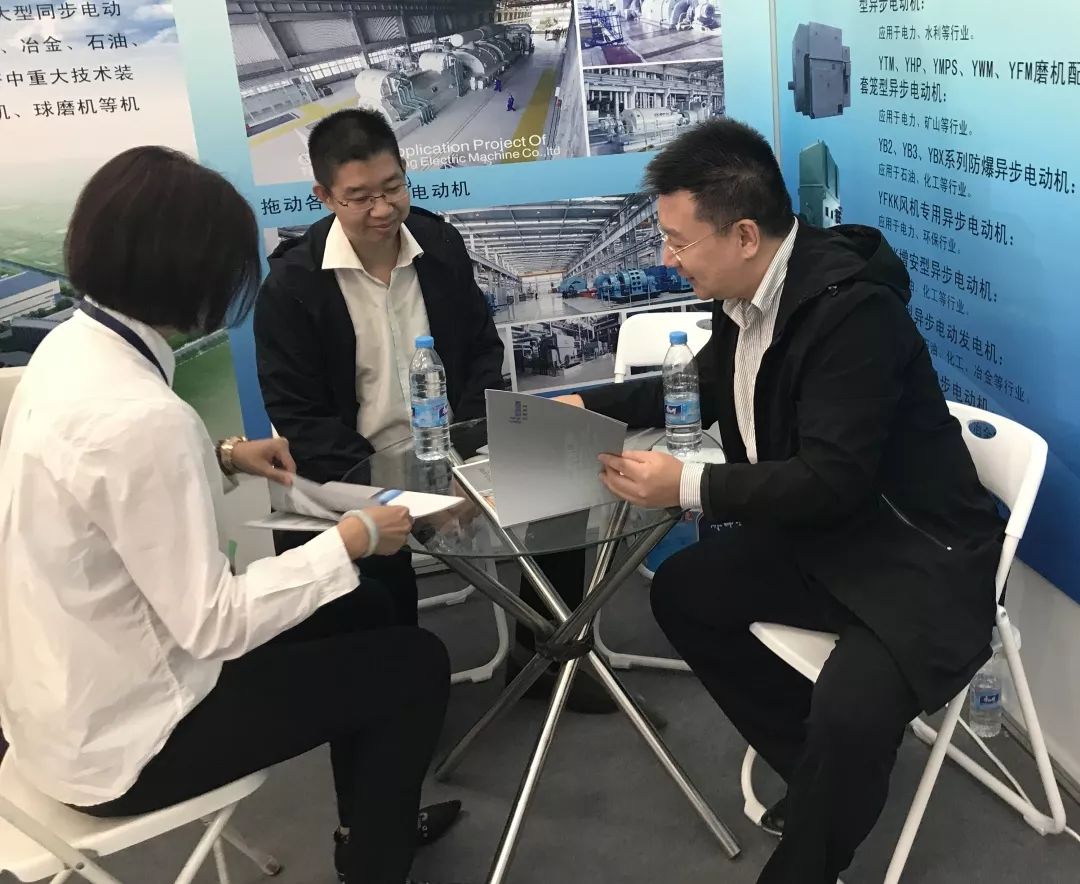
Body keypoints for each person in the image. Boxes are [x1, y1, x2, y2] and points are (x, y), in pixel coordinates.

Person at [556, 119, 1005, 883]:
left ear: (743, 235)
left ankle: (814, 840)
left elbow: (833, 479)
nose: (666, 258)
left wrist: (688, 485)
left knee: (850, 711)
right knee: (685, 593)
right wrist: (586, 408)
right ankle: (820, 775)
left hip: (911, 557)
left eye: (677, 241)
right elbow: (695, 389)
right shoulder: (745, 298)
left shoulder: (853, 315)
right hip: (822, 538)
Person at [0, 146, 462, 884]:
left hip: (59, 707)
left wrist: (221, 454)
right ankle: (377, 861)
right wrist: (349, 539)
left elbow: (98, 487)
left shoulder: (70, 350)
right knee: (415, 664)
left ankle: (371, 824)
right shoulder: (141, 418)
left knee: (367, 609)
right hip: (134, 741)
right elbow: (215, 625)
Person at [255, 108, 616, 715]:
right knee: (379, 585)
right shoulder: (294, 286)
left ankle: (544, 653)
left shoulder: (439, 245)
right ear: (324, 196)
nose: (382, 209)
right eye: (359, 197)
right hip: (358, 470)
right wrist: (396, 493)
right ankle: (397, 705)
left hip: (454, 448)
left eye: (393, 187)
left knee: (562, 475)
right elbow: (300, 416)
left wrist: (466, 459)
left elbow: (481, 352)